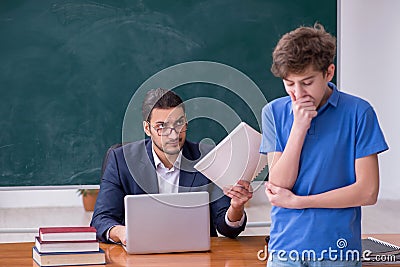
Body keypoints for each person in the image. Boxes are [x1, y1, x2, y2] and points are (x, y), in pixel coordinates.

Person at [260, 23, 388, 266]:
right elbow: (278, 185)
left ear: (329, 73)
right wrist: (299, 128)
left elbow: (368, 192)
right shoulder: (274, 113)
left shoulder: (359, 113)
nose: (298, 94)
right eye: (289, 84)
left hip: (338, 252)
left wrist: (300, 202)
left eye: (307, 82)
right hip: (285, 251)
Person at [91, 88, 253, 244]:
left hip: (197, 256)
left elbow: (227, 229)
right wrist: (123, 233)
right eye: (161, 126)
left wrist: (236, 208)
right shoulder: (121, 160)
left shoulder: (208, 158)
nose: (174, 134)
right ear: (147, 128)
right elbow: (101, 220)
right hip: (141, 256)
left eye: (179, 123)